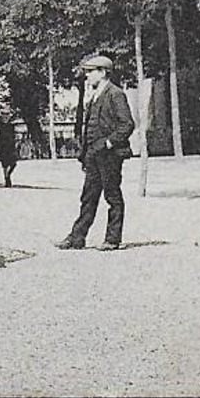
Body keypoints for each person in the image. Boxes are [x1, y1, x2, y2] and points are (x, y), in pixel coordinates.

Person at [58, 54, 135, 251]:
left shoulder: (115, 93)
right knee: (88, 197)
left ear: (102, 72)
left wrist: (109, 143)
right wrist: (86, 154)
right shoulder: (95, 95)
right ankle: (77, 238)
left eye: (90, 72)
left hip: (110, 155)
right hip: (94, 155)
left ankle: (112, 239)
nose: (87, 76)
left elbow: (127, 124)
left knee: (112, 196)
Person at [0, 113, 20, 188]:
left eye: (7, 116)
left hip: (10, 146)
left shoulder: (11, 126)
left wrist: (15, 143)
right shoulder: (0, 127)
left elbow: (13, 136)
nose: (5, 118)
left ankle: (7, 176)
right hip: (3, 146)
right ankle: (7, 179)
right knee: (5, 165)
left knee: (13, 163)